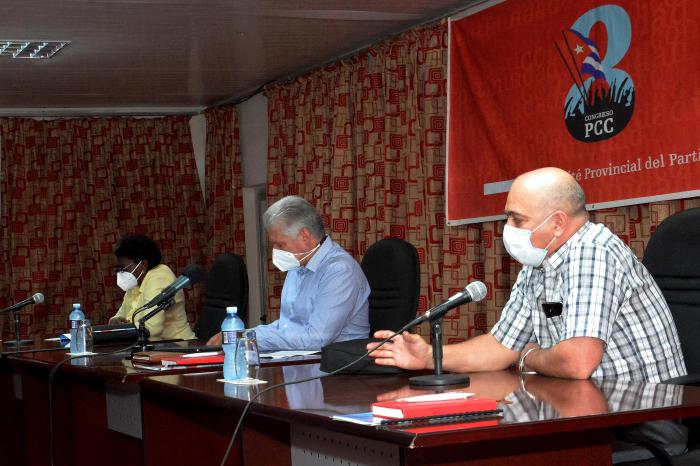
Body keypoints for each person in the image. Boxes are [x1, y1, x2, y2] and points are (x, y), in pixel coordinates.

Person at [369, 167, 686, 382]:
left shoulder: (591, 253)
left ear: (558, 223)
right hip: (584, 405)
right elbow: (500, 346)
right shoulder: (539, 264)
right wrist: (428, 356)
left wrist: (528, 357)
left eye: (517, 220)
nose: (508, 230)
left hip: (641, 412)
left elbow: (577, 362)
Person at [209, 195, 370, 351]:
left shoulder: (340, 271)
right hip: (304, 364)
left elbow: (316, 338)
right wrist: (245, 336)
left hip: (338, 371)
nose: (276, 251)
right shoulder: (297, 265)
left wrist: (249, 337)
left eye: (280, 244)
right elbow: (287, 326)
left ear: (304, 236)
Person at [109, 234, 196, 341]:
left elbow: (152, 329)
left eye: (124, 268)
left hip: (178, 346)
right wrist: (115, 321)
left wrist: (122, 328)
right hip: (152, 347)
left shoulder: (159, 277)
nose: (120, 273)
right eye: (118, 269)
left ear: (143, 265)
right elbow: (122, 315)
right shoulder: (135, 282)